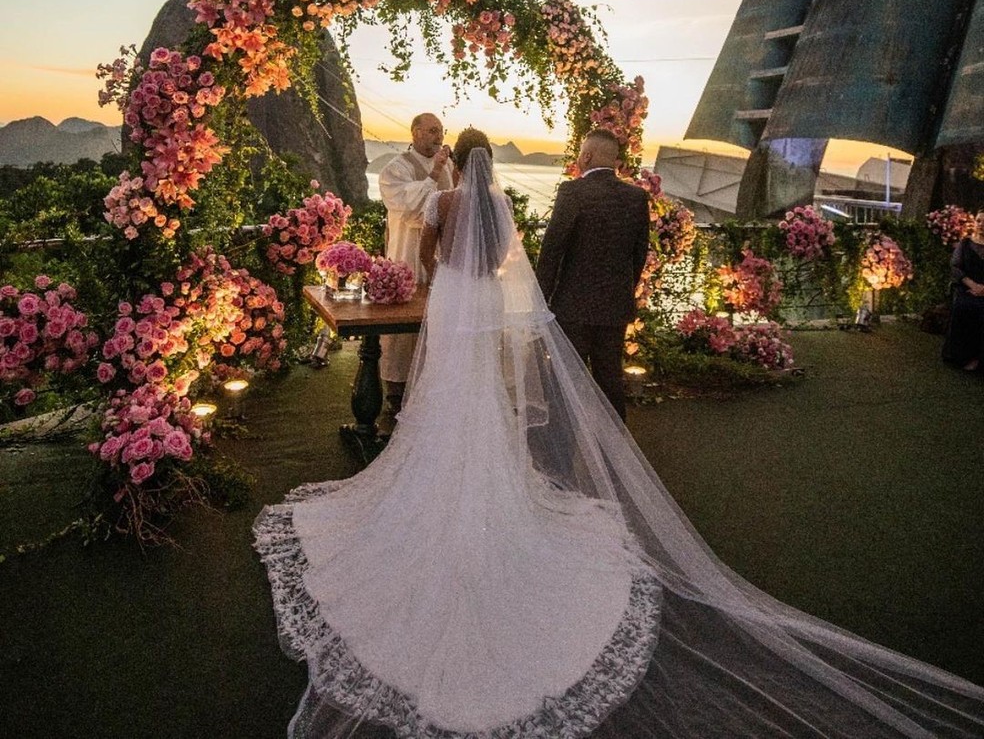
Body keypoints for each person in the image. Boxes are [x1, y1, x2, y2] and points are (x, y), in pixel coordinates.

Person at [255, 136, 984, 738]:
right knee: (489, 392)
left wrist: (454, 270)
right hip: (496, 301)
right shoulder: (515, 203)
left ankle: (428, 461)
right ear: (492, 165)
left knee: (441, 387)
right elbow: (513, 259)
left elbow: (443, 256)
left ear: (455, 160)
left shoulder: (444, 200)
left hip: (451, 297)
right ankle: (538, 471)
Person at [535, 127, 650, 419]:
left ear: (585, 156)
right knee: (610, 380)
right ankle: (615, 456)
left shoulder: (573, 192)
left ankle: (562, 453)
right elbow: (638, 257)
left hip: (573, 307)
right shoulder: (636, 198)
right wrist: (621, 291)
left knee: (565, 382)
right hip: (614, 307)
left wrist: (540, 301)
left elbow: (552, 251)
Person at [376, 112, 453, 412]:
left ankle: (433, 387)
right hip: (407, 255)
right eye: (433, 130)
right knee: (403, 329)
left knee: (437, 321)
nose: (439, 136)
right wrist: (433, 175)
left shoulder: (448, 168)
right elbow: (409, 209)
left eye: (441, 131)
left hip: (440, 255)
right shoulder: (395, 169)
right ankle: (396, 391)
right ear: (415, 132)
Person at [942, 208, 984, 370]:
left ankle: (978, 358)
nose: (981, 225)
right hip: (966, 287)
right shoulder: (965, 244)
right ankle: (959, 356)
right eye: (979, 221)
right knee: (963, 306)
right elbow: (955, 268)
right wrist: (972, 285)